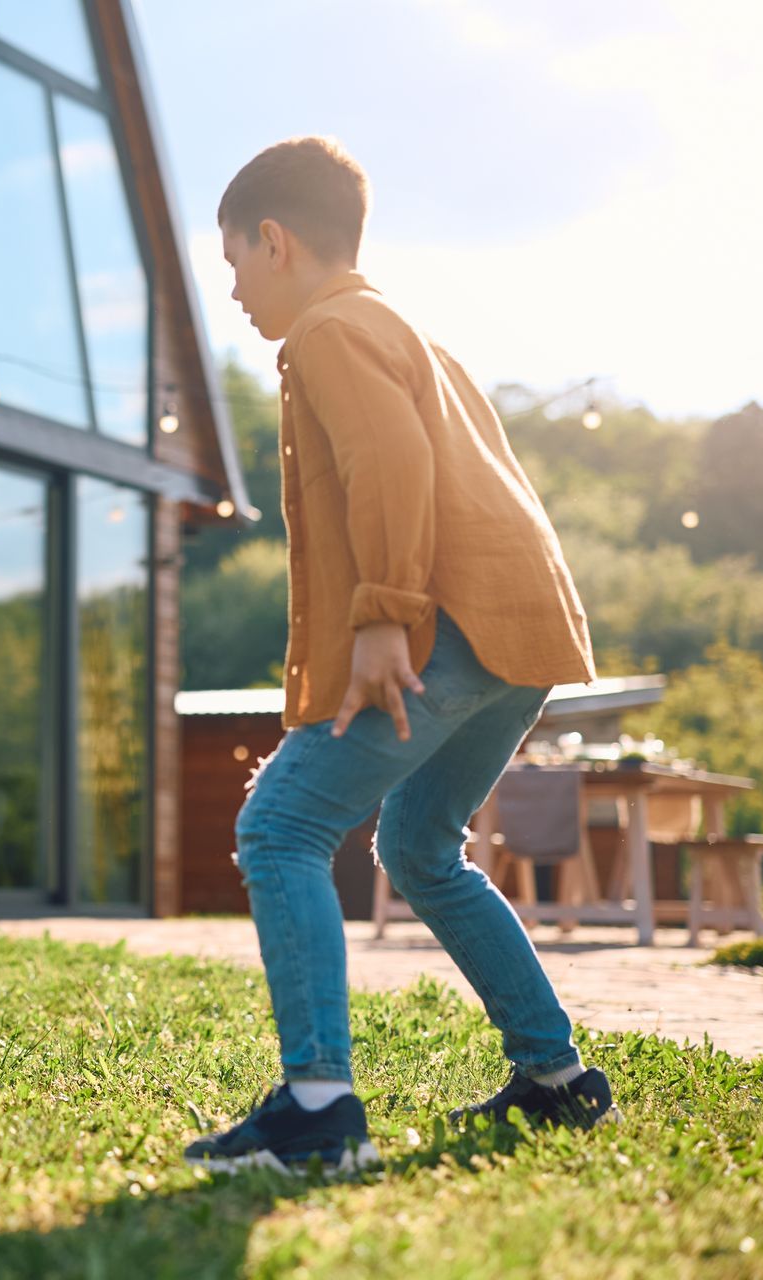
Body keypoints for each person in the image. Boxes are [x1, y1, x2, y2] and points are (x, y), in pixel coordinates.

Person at [185, 137, 614, 1175]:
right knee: (421, 845)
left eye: (233, 260)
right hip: (518, 629)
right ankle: (555, 1077)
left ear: (272, 241)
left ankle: (318, 1105)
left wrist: (384, 614)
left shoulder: (328, 330)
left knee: (281, 825)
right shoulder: (401, 324)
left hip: (444, 623)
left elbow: (391, 461)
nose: (234, 288)